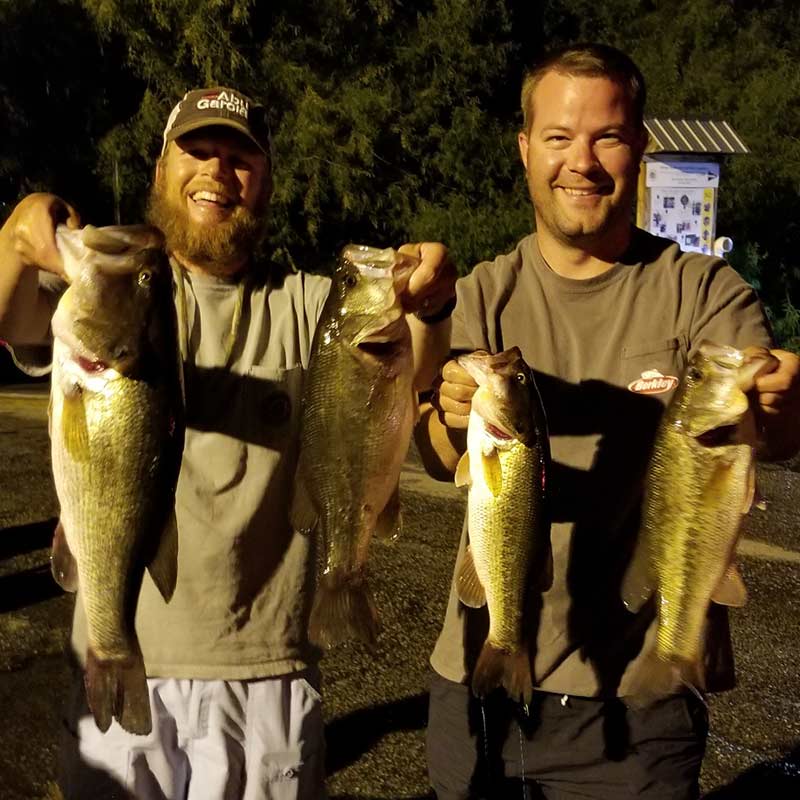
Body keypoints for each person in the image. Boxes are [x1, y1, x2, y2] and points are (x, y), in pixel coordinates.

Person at [0, 86, 456, 799]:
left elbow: (412, 368)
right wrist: (14, 241)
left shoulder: (310, 305)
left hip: (267, 675)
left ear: (267, 181)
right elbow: (7, 314)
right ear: (160, 172)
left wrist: (429, 303)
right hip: (122, 655)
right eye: (198, 152)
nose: (217, 172)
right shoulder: (117, 290)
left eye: (240, 159)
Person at [415, 43, 800, 800]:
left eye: (608, 137)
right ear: (526, 149)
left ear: (642, 150)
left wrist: (786, 402)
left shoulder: (703, 292)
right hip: (478, 680)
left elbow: (776, 437)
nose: (581, 162)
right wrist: (447, 415)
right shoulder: (484, 293)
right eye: (558, 137)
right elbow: (433, 456)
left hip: (641, 701)